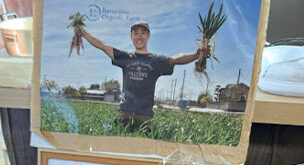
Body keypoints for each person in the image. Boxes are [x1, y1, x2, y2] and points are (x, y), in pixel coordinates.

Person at [80, 21, 210, 129]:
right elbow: (103, 46)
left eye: (143, 32)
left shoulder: (156, 61)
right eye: (135, 33)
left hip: (145, 118)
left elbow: (175, 59)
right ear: (131, 36)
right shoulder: (125, 58)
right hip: (125, 114)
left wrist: (196, 55)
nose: (139, 36)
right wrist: (83, 33)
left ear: (148, 36)